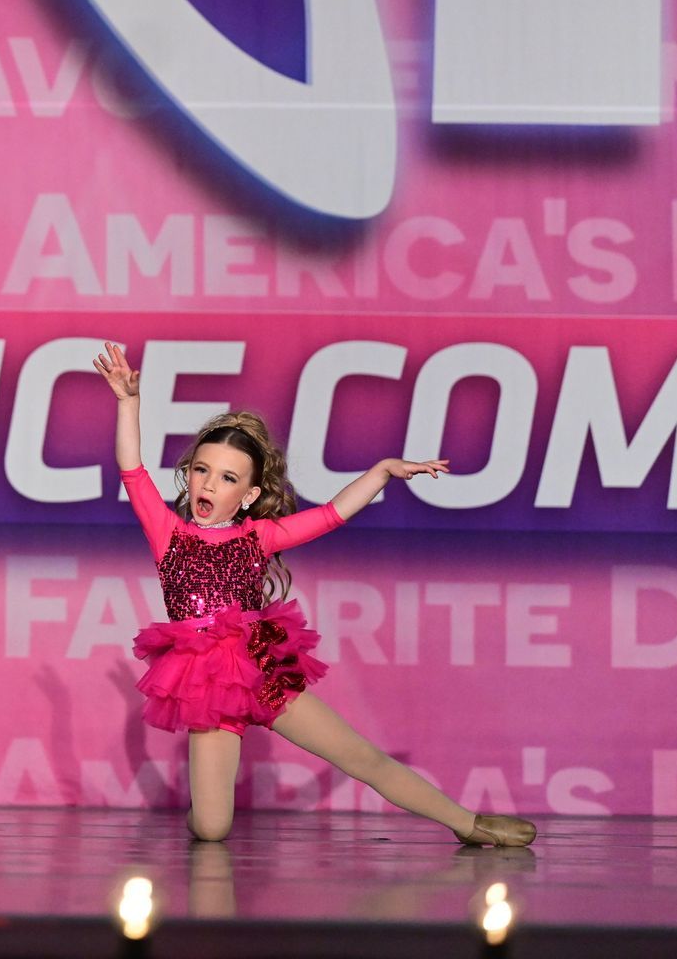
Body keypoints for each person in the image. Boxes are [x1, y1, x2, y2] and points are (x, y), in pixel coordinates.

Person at [95, 341, 534, 847]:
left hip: (258, 662)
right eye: (201, 470)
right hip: (203, 679)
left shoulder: (258, 536)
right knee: (213, 829)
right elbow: (133, 470)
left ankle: (468, 824)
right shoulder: (168, 532)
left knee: (359, 755)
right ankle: (199, 813)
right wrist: (129, 404)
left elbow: (331, 514)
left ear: (251, 496)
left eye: (228, 477)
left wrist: (382, 471)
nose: (208, 484)